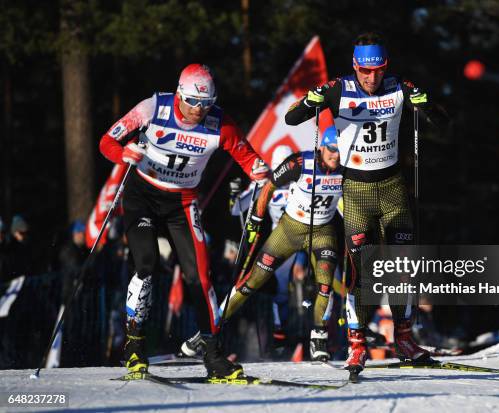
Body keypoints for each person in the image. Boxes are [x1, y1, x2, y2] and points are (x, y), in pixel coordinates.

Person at [99, 63, 269, 378]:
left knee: (199, 277)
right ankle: (134, 346)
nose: (198, 111)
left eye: (206, 104)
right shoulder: (153, 107)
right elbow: (107, 141)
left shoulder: (220, 124)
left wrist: (261, 174)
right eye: (192, 102)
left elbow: (250, 160)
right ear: (179, 94)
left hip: (183, 202)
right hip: (143, 197)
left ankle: (215, 356)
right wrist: (123, 153)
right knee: (146, 263)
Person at [285, 32, 437, 376]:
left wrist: (426, 103)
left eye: (379, 71)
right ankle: (357, 346)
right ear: (355, 67)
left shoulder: (398, 87)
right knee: (360, 273)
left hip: (394, 190)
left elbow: (441, 121)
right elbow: (291, 119)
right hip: (355, 192)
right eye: (366, 72)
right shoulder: (338, 89)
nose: (373, 78)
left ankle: (404, 340)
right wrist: (310, 101)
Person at [219, 126, 343, 361]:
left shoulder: (312, 174)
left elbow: (336, 201)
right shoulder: (274, 180)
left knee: (320, 282)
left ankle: (319, 336)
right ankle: (274, 329)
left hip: (313, 236)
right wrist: (235, 197)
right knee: (264, 284)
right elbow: (238, 209)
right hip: (285, 235)